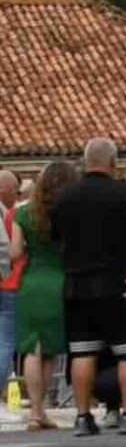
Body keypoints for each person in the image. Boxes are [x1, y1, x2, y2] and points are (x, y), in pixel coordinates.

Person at [51, 138, 126, 437]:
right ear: (113, 163)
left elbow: (56, 239)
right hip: (118, 284)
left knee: (82, 352)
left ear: (85, 161)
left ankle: (82, 417)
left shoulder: (65, 199)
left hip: (77, 284)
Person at [12, 163, 72, 431]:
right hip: (58, 280)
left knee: (31, 348)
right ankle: (43, 409)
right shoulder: (66, 212)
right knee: (49, 349)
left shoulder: (23, 214)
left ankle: (34, 410)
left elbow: (14, 253)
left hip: (31, 281)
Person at [1, 170, 21, 406]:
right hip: (6, 285)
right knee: (5, 340)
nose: (16, 196)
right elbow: (5, 250)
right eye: (14, 190)